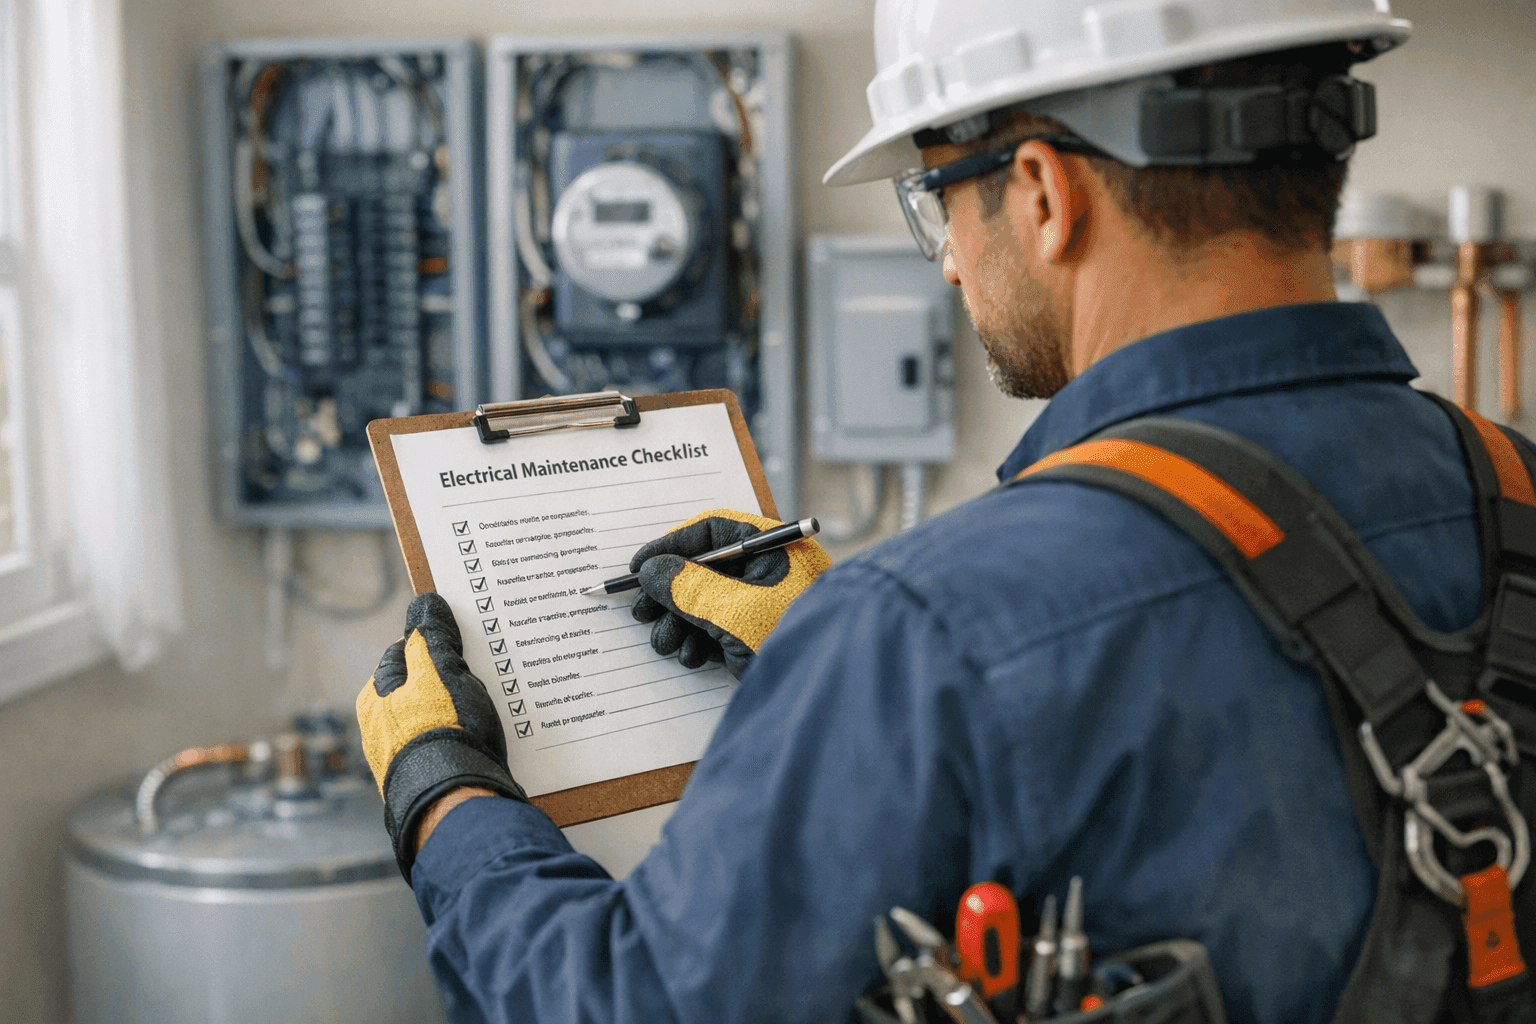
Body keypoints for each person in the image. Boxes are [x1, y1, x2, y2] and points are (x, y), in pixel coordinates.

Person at [351, 2, 1518, 1021]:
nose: (950, 266)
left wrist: (444, 793)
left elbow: (622, 1004)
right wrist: (835, 660)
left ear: (1042, 192)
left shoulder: (927, 629)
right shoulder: (1517, 485)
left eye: (934, 202)